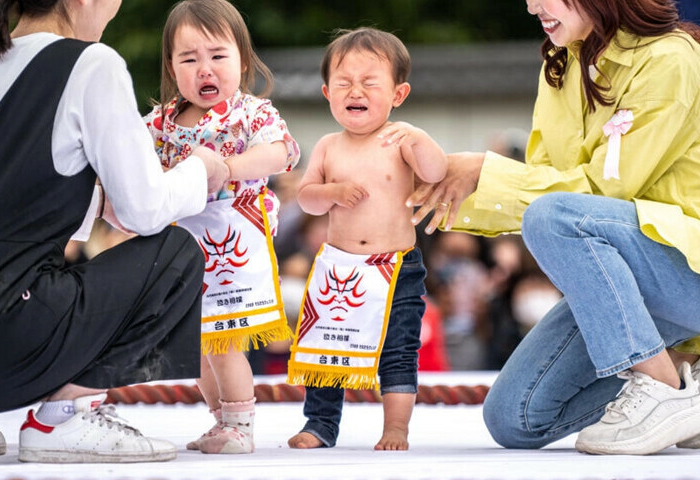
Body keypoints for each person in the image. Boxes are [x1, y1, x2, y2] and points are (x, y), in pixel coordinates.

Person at [0, 0, 230, 464]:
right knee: (173, 255)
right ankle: (60, 417)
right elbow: (145, 211)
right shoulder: (93, 63)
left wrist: (98, 202)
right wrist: (202, 170)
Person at [408, 0, 700, 455]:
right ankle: (687, 384)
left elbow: (603, 192)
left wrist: (483, 170)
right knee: (515, 418)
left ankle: (664, 389)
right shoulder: (560, 65)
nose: (529, 5)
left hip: (687, 271)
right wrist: (440, 188)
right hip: (630, 282)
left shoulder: (670, 58)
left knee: (554, 217)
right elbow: (544, 193)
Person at [142, 0, 300, 455]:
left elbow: (282, 153)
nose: (204, 68)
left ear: (243, 61)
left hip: (236, 238)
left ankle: (239, 421)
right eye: (189, 59)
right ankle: (220, 420)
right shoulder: (158, 124)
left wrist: (226, 166)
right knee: (192, 343)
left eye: (217, 56)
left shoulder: (252, 113)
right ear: (172, 68)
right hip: (180, 243)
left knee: (225, 336)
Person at [286, 27, 447, 451]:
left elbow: (435, 172)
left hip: (396, 267)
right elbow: (306, 200)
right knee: (325, 351)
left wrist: (420, 137)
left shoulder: (400, 140)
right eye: (344, 83)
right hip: (339, 266)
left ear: (398, 94)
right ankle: (320, 424)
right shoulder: (326, 146)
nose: (355, 90)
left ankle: (395, 428)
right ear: (327, 92)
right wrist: (333, 193)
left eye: (369, 82)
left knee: (398, 349)